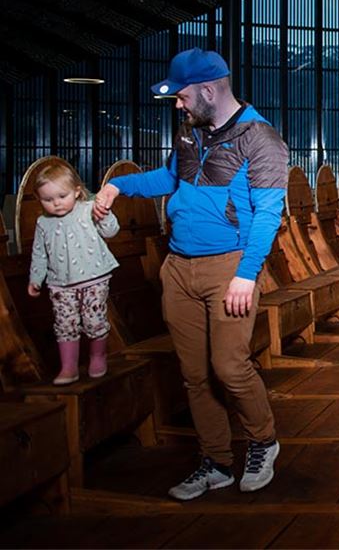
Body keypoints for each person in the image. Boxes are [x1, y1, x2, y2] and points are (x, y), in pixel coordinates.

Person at [93, 48, 287, 500]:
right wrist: (119, 185)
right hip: (178, 267)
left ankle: (263, 441)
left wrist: (246, 274)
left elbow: (267, 213)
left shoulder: (261, 138)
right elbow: (170, 178)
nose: (177, 105)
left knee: (230, 367)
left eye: (181, 96)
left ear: (207, 90)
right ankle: (216, 461)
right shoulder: (190, 131)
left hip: (229, 267)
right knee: (194, 374)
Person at [28, 163, 120, 386]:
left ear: (77, 191)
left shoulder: (88, 209)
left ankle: (98, 357)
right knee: (64, 323)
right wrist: (35, 278)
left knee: (93, 320)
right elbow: (39, 253)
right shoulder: (43, 223)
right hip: (60, 284)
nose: (56, 203)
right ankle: (68, 367)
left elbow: (111, 231)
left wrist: (104, 214)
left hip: (94, 278)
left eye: (62, 196)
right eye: (47, 199)